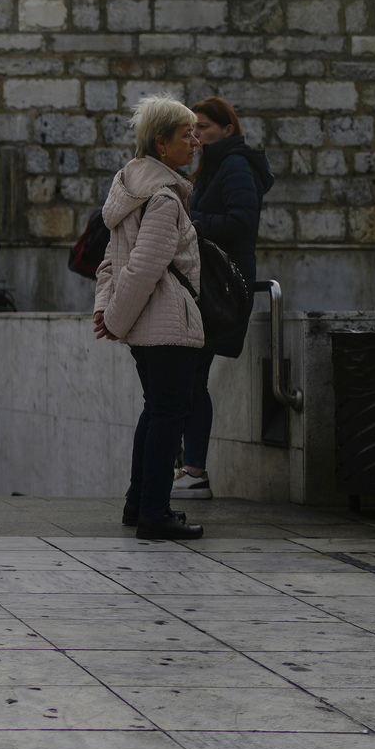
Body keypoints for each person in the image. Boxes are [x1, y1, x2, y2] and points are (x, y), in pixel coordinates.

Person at [92, 96, 205, 542]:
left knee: (156, 410)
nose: (195, 141)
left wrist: (106, 310)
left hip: (146, 324)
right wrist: (114, 320)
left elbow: (110, 261)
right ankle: (155, 513)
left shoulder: (130, 188)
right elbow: (142, 267)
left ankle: (139, 504)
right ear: (161, 143)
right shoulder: (163, 197)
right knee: (169, 415)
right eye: (186, 134)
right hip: (167, 323)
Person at [175, 96, 275, 503]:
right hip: (208, 285)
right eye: (193, 128)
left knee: (193, 376)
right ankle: (189, 468)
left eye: (203, 127)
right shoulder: (211, 168)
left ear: (227, 130)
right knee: (189, 377)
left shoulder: (235, 166)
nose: (196, 134)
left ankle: (194, 471)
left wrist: (192, 222)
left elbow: (242, 222)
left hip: (222, 288)